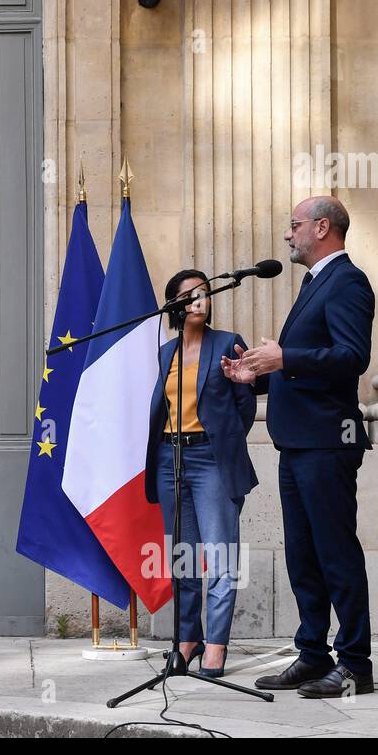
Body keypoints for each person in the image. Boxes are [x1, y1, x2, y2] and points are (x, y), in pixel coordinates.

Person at [221, 196, 376, 697]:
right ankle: (313, 654)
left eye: (295, 225)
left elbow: (351, 357)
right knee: (302, 556)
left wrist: (284, 355)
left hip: (328, 442)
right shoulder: (314, 284)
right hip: (297, 443)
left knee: (336, 554)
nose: (288, 235)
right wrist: (255, 375)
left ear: (323, 227)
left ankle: (354, 664)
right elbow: (304, 369)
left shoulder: (347, 281)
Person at [146, 271, 258, 678]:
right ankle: (187, 639)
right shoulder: (166, 353)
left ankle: (216, 645)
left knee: (220, 555)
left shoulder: (228, 343)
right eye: (189, 295)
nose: (199, 300)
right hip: (169, 459)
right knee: (184, 557)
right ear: (174, 304)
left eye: (204, 293)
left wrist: (222, 444)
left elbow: (244, 405)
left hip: (211, 459)